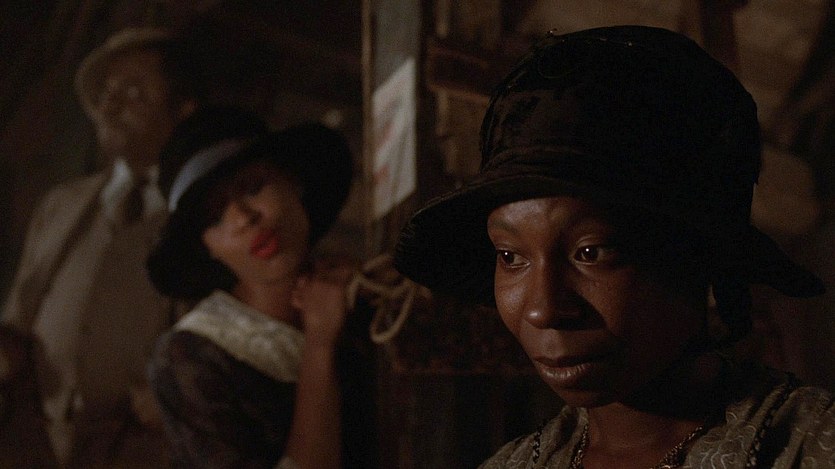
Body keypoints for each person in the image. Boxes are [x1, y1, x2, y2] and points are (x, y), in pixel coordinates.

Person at [394, 26, 835, 468]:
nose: (543, 310)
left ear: (698, 253)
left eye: (592, 253)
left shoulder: (808, 447)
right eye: (511, 257)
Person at [0, 27, 196, 467]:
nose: (109, 107)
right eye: (107, 94)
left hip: (137, 455)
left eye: (134, 93)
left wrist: (171, 398)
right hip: (31, 444)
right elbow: (17, 320)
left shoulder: (198, 217)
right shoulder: (61, 205)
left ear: (183, 110)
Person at [146, 106, 365, 469]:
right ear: (207, 247)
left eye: (253, 187)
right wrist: (319, 345)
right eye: (215, 216)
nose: (243, 218)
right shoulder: (191, 358)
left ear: (293, 182)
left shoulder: (364, 296)